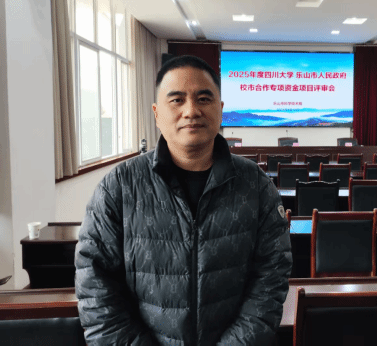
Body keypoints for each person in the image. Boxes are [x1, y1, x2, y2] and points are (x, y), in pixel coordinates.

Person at [75, 55, 292, 345]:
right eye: (177, 100)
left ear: (220, 110)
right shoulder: (119, 186)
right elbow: (95, 289)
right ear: (156, 113)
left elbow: (271, 279)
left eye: (203, 99)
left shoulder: (256, 185)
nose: (191, 111)